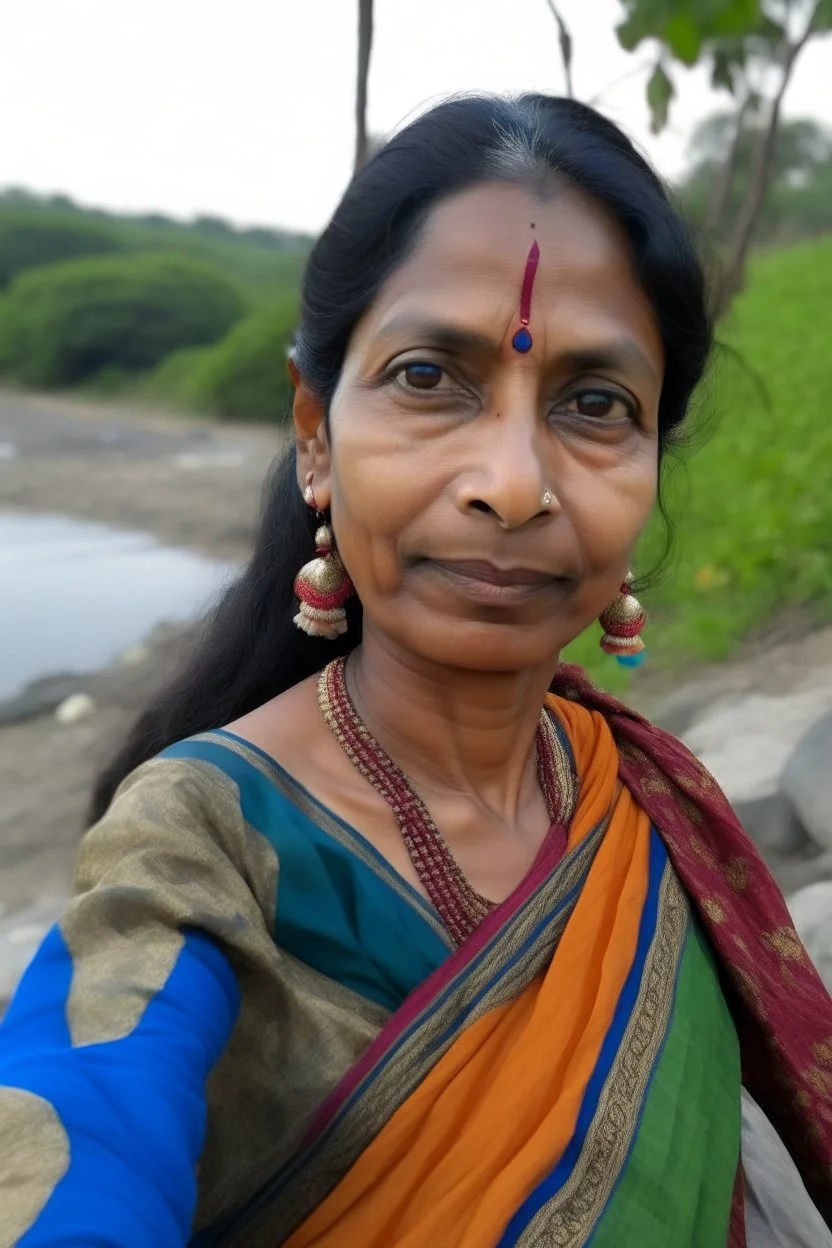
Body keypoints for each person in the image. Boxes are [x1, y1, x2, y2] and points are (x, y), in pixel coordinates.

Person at [0, 93, 829, 1248]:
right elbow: (75, 1135)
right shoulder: (196, 844)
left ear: (648, 464)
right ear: (314, 433)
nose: (512, 481)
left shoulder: (640, 801)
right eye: (431, 377)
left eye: (596, 404)